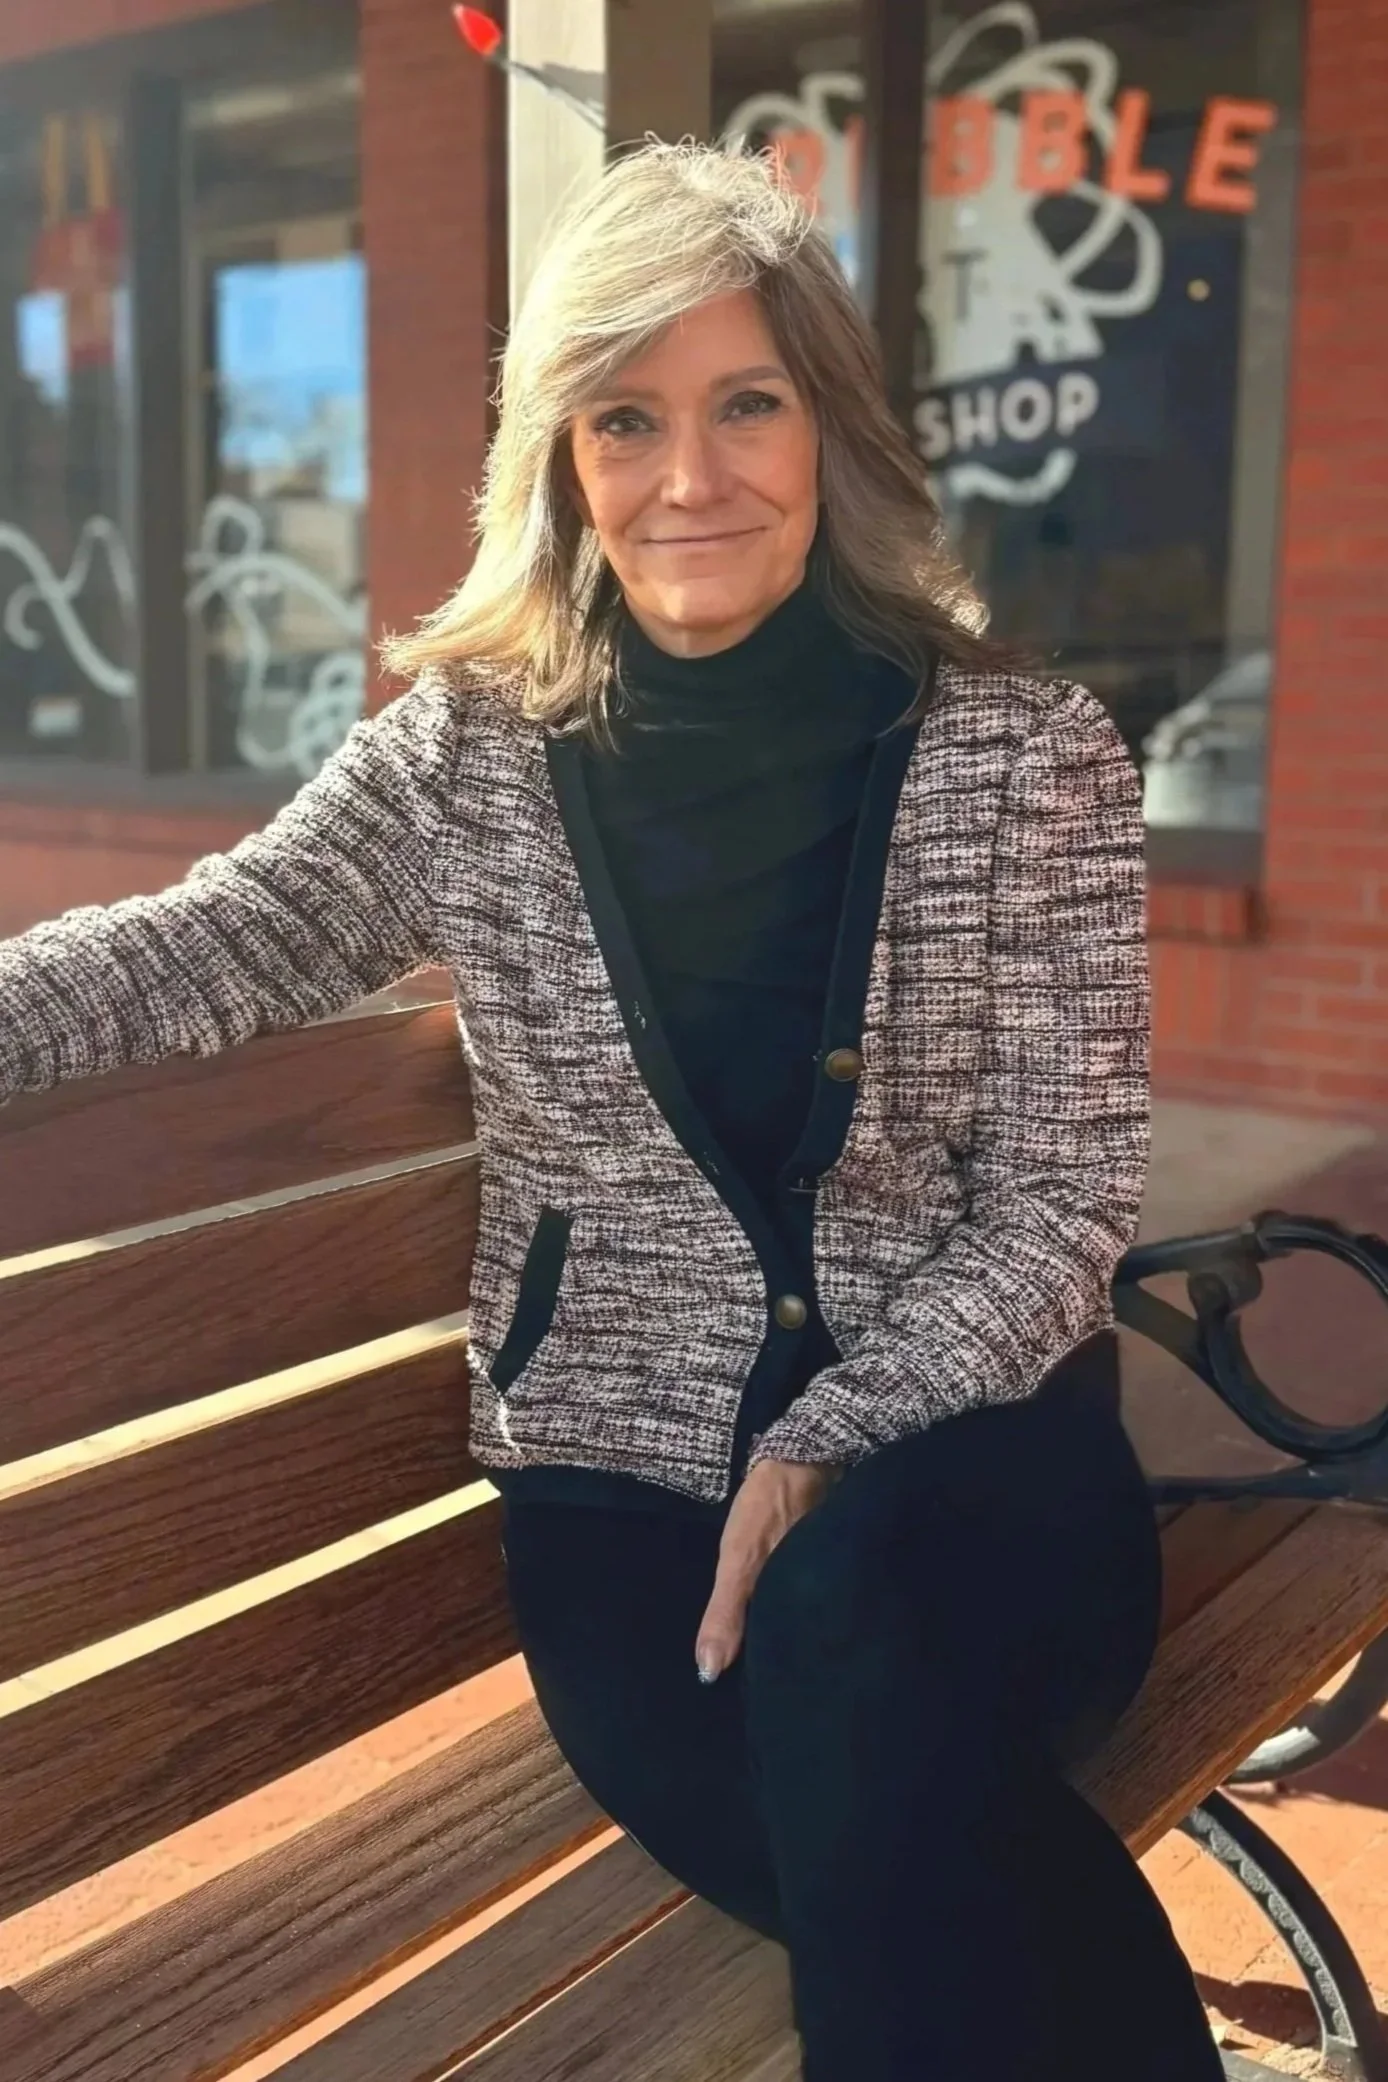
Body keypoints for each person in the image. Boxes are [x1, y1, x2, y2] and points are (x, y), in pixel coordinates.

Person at [0, 141, 1219, 2079]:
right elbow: (208, 950)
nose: (688, 478)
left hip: (966, 1465)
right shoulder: (471, 759)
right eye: (624, 419)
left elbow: (1063, 1194)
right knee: (901, 1854)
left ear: (830, 425)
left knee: (852, 1668)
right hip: (619, 1502)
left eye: (748, 404)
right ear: (558, 457)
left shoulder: (1018, 756)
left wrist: (832, 1438)